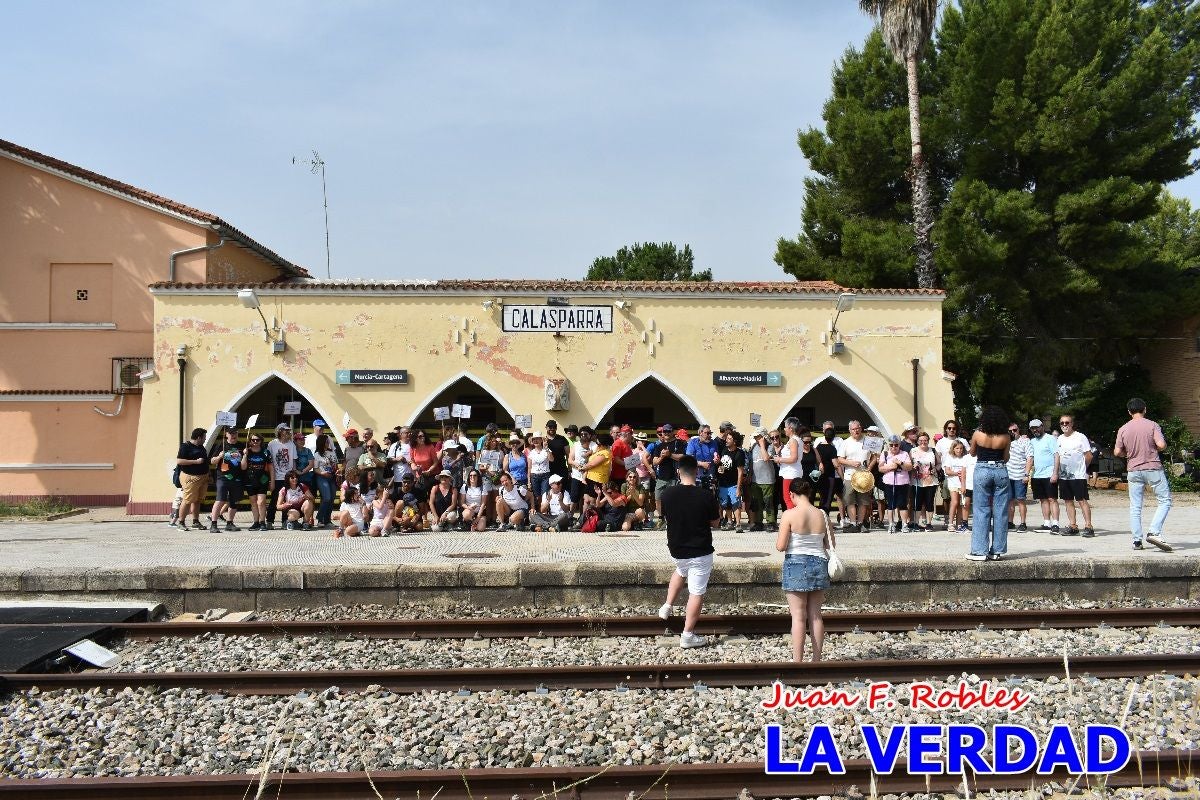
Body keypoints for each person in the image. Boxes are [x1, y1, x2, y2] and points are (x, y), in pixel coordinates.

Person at [656, 455, 720, 649]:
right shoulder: (706, 495)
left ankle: (667, 606)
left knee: (681, 570)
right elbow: (715, 523)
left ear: (678, 472)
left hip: (676, 547)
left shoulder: (667, 494)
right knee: (696, 592)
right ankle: (687, 635)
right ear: (697, 471)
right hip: (699, 549)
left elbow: (664, 515)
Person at [775, 480, 833, 662]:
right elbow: (830, 544)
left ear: (792, 495)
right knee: (815, 616)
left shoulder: (788, 515)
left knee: (798, 617)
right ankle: (816, 659)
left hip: (796, 564)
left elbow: (781, 546)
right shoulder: (822, 514)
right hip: (819, 562)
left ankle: (797, 661)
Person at [1113, 397, 1174, 552]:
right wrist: (1156, 447)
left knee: (1135, 506)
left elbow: (1117, 452)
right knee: (1165, 500)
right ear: (1145, 409)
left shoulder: (1123, 429)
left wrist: (1130, 453)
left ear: (1129, 412)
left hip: (1133, 470)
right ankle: (1154, 531)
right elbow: (1161, 445)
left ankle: (1137, 541)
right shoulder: (1153, 425)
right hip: (1153, 467)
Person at [968, 405, 1012, 561]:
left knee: (981, 510)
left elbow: (972, 453)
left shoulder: (978, 434)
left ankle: (980, 551)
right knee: (1000, 511)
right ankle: (997, 551)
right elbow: (1006, 458)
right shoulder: (1006, 437)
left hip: (982, 469)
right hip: (1000, 469)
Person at [1056, 414, 1095, 537]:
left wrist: (1083, 468)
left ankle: (1088, 526)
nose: (1064, 425)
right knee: (1068, 501)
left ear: (1072, 424)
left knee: (1082, 500)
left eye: (1067, 423)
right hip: (1064, 476)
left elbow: (1089, 456)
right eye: (1062, 423)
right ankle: (1073, 525)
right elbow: (1057, 456)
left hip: (1078, 476)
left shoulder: (1080, 437)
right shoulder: (1059, 438)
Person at [835, 420, 874, 532]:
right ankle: (853, 523)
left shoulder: (867, 441)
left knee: (863, 501)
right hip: (849, 476)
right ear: (850, 430)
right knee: (849, 500)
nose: (856, 431)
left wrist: (870, 467)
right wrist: (851, 463)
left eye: (857, 428)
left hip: (864, 476)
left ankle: (861, 523)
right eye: (853, 429)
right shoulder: (845, 442)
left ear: (861, 428)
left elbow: (875, 456)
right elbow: (840, 459)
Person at [651, 424, 686, 528]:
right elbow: (654, 462)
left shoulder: (678, 443)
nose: (666, 433)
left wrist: (669, 454)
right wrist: (662, 456)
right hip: (661, 477)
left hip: (674, 477)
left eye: (668, 431)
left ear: (672, 432)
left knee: (673, 499)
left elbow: (682, 457)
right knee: (658, 498)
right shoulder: (658, 446)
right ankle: (661, 518)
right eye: (664, 431)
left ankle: (673, 519)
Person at [175, 427, 210, 530]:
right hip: (190, 477)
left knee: (197, 500)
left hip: (203, 477)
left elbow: (205, 461)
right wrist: (195, 461)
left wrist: (208, 475)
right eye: (204, 437)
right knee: (187, 500)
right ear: (199, 437)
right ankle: (181, 522)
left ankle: (195, 521)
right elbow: (179, 461)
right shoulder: (185, 447)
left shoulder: (201, 447)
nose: (205, 439)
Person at [208, 427, 243, 532]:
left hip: (237, 478)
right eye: (231, 433)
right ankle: (213, 524)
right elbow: (212, 461)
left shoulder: (241, 446)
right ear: (226, 434)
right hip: (223, 477)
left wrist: (245, 454)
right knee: (220, 500)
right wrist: (219, 457)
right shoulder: (221, 445)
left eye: (235, 433)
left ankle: (230, 523)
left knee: (234, 501)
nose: (233, 435)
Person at [878, 435, 913, 533]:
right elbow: (880, 468)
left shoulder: (904, 454)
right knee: (891, 504)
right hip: (889, 482)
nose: (894, 447)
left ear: (899, 445)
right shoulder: (884, 454)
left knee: (902, 504)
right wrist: (891, 467)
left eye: (896, 445)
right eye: (891, 445)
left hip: (902, 482)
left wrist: (899, 463)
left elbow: (909, 467)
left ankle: (904, 524)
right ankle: (891, 524)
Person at [265, 423, 296, 529]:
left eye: (288, 431)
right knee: (274, 499)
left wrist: (294, 476)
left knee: (287, 500)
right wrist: (271, 479)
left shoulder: (291, 444)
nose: (288, 432)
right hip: (276, 477)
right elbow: (269, 462)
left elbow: (294, 461)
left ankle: (284, 521)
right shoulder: (272, 444)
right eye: (285, 430)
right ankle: (269, 521)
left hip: (288, 477)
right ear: (280, 431)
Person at [241, 432, 274, 530]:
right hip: (250, 480)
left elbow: (271, 468)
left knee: (261, 502)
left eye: (257, 440)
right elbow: (243, 467)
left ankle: (262, 522)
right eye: (253, 440)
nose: (255, 442)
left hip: (263, 480)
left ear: (261, 441)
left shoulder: (265, 452)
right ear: (250, 441)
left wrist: (272, 481)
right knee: (253, 503)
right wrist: (244, 455)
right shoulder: (247, 452)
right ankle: (256, 522)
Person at [715, 430, 746, 531]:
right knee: (725, 504)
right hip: (723, 483)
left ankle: (738, 524)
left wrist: (738, 487)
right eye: (727, 438)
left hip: (733, 483)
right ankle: (729, 522)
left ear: (735, 441)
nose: (726, 440)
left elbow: (740, 472)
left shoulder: (739, 453)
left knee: (736, 504)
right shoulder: (724, 450)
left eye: (729, 439)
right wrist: (719, 466)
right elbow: (723, 466)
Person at [747, 427, 777, 531]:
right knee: (757, 502)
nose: (756, 438)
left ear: (763, 437)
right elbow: (752, 462)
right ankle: (758, 522)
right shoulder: (754, 446)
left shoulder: (770, 446)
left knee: (768, 501)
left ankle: (771, 522)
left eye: (758, 437)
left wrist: (762, 445)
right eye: (755, 437)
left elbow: (766, 458)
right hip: (756, 479)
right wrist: (750, 475)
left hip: (767, 480)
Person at [909, 432, 939, 531]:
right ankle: (916, 523)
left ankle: (929, 523)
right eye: (921, 440)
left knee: (929, 502)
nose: (923, 442)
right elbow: (908, 464)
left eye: (925, 440)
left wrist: (935, 469)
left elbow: (939, 464)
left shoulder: (933, 451)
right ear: (917, 441)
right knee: (917, 502)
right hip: (916, 481)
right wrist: (913, 467)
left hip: (931, 481)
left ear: (928, 440)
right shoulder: (913, 451)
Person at [773, 417, 803, 510]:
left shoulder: (793, 440)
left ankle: (793, 522)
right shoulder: (796, 439)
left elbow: (794, 458)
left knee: (789, 499)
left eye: (785, 427)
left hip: (790, 474)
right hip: (793, 473)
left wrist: (779, 459)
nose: (784, 429)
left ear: (790, 428)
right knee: (794, 499)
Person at [1006, 422, 1031, 531]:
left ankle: (1023, 523)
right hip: (1008, 475)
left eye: (1014, 430)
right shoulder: (1006, 441)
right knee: (1009, 500)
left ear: (1018, 430)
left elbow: (1029, 458)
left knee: (1021, 500)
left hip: (1020, 475)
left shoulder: (1025, 441)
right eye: (1010, 431)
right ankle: (1010, 522)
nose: (1012, 432)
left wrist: (1026, 474)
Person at [312, 433, 339, 528]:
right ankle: (320, 518)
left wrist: (337, 470)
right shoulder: (317, 454)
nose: (328, 443)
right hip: (322, 477)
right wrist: (322, 473)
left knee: (331, 499)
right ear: (322, 442)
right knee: (326, 497)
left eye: (328, 441)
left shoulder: (332, 453)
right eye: (326, 442)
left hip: (332, 477)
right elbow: (315, 469)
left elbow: (335, 465)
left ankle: (327, 520)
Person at [942, 440, 968, 532]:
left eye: (961, 448)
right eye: (957, 448)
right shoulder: (949, 458)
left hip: (963, 484)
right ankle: (950, 523)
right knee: (955, 502)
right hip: (953, 483)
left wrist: (964, 474)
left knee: (961, 504)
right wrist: (956, 473)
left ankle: (959, 523)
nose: (959, 450)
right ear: (953, 449)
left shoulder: (965, 458)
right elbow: (947, 471)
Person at [686, 424, 719, 489]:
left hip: (710, 477)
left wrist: (717, 459)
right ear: (700, 433)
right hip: (696, 478)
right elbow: (688, 460)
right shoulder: (692, 443)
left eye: (710, 433)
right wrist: (701, 464)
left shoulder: (713, 443)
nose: (710, 435)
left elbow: (716, 455)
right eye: (707, 433)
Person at [527, 432, 552, 501]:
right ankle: (540, 511)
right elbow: (529, 468)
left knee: (545, 496)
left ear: (541, 440)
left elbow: (551, 459)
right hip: (534, 477)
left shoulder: (546, 450)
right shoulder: (531, 453)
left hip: (545, 476)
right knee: (537, 497)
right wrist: (529, 482)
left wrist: (546, 448)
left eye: (537, 439)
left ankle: (544, 511)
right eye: (534, 439)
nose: (536, 441)